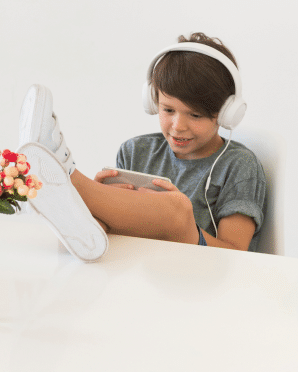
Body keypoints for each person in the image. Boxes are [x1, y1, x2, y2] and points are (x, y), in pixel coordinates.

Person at [17, 33, 267, 261]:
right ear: (153, 101)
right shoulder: (135, 150)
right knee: (100, 223)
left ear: (225, 114)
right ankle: (78, 207)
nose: (178, 126)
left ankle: (69, 181)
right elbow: (125, 232)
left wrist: (186, 226)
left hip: (198, 271)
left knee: (177, 207)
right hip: (142, 266)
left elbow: (236, 256)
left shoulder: (239, 165)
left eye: (196, 116)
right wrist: (109, 203)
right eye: (168, 110)